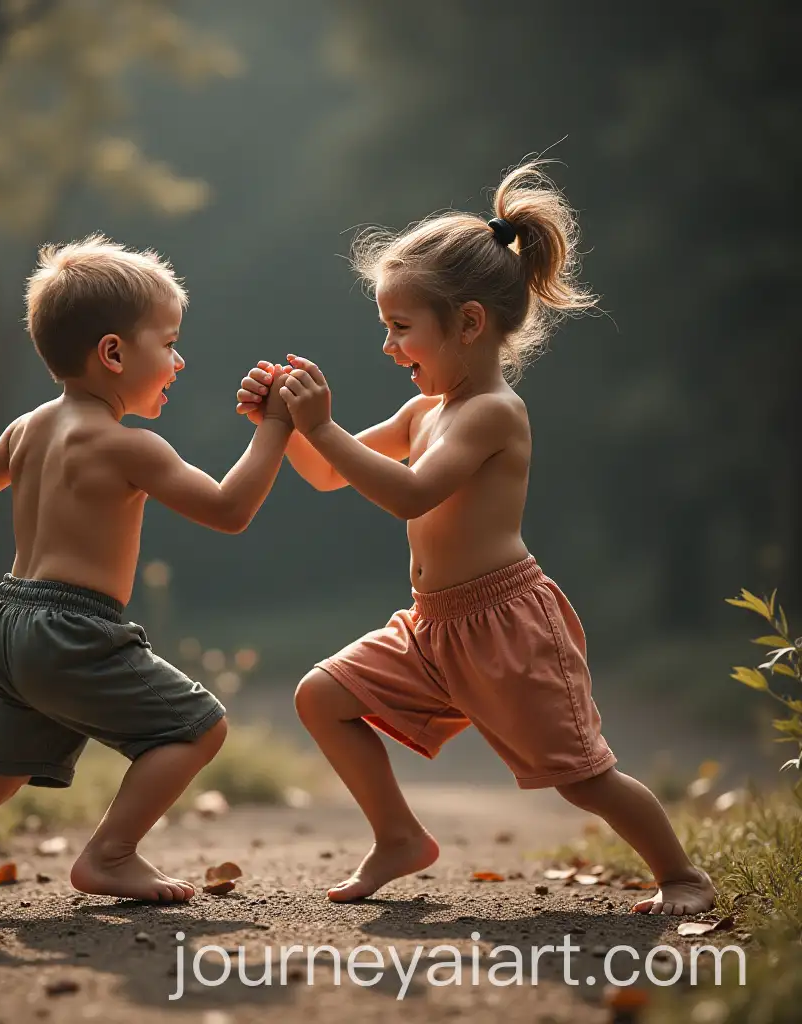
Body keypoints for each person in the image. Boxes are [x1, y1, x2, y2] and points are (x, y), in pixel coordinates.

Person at [236, 162, 715, 916]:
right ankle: (398, 835)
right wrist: (286, 424)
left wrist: (322, 426)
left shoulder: (493, 412)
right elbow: (328, 476)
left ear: (468, 323)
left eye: (402, 329)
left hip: (506, 628)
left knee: (583, 776)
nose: (391, 348)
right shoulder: (425, 411)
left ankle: (681, 873)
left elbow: (411, 493)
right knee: (322, 696)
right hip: (432, 626)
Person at [0, 234, 292, 917]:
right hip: (73, 626)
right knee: (198, 726)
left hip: (7, 622)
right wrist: (274, 428)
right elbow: (230, 508)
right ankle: (110, 854)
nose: (179, 359)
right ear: (114, 353)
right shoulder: (130, 445)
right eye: (169, 342)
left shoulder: (29, 429)